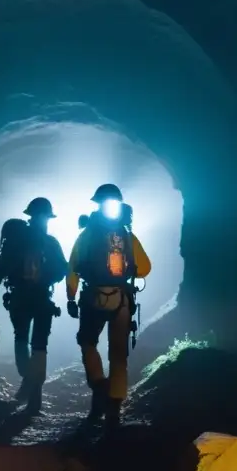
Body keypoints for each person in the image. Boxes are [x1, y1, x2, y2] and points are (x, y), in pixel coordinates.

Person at [66, 184, 152, 430]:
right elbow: (145, 267)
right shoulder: (127, 235)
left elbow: (72, 268)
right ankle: (114, 410)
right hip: (122, 300)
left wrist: (71, 297)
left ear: (98, 204)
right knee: (118, 355)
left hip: (93, 296)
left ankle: (98, 386)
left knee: (88, 342)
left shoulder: (86, 234)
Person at [0, 197, 68, 415]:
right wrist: (47, 279)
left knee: (21, 339)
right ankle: (35, 395)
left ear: (29, 216)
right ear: (48, 218)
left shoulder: (14, 242)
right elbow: (64, 269)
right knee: (40, 346)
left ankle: (28, 382)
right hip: (42, 300)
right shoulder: (51, 243)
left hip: (20, 300)